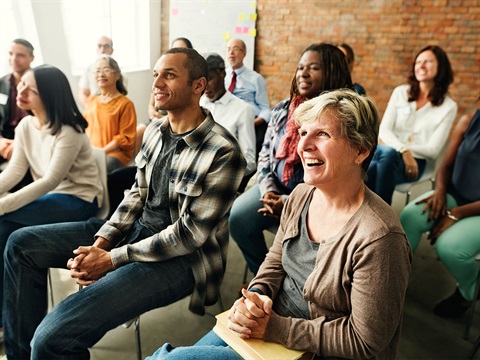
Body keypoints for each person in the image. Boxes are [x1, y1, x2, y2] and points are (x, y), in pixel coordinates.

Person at [3, 47, 246, 359]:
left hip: (180, 261)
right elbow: (136, 195)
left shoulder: (223, 152)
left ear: (198, 85)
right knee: (21, 243)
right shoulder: (157, 130)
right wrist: (102, 243)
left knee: (51, 339)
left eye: (169, 75)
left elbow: (189, 236)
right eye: (156, 74)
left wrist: (111, 259)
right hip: (133, 234)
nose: (157, 82)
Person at [149, 89, 413, 360]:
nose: (303, 145)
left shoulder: (380, 237)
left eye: (322, 134)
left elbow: (365, 341)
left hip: (313, 349)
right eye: (303, 133)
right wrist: (256, 295)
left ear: (360, 150)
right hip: (271, 323)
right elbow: (276, 261)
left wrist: (276, 328)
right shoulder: (300, 196)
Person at [230, 43, 354, 274]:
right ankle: (263, 277)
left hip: (321, 200)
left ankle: (291, 283)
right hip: (274, 188)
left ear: (332, 72)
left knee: (304, 243)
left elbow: (334, 180)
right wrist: (268, 191)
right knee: (238, 219)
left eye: (313, 68)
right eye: (300, 67)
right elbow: (265, 154)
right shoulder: (282, 109)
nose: (303, 73)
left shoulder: (341, 120)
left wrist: (288, 203)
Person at [0, 64, 102, 337]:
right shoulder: (24, 125)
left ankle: (7, 320)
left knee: (5, 220)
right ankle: (9, 317)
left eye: (30, 89)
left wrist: (2, 206)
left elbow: (49, 181)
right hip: (50, 199)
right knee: (5, 230)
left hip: (78, 201)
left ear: (48, 96)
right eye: (22, 84)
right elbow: (14, 173)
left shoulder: (68, 131)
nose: (21, 91)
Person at [399, 107, 480, 318]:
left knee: (450, 247)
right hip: (453, 194)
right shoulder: (470, 118)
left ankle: (468, 292)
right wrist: (440, 192)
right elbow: (445, 166)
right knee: (410, 216)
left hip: (476, 211)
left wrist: (456, 214)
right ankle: (392, 282)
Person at [366, 45, 457, 205]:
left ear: (441, 67)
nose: (421, 65)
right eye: (418, 62)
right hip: (384, 153)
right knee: (387, 155)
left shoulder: (448, 106)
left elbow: (432, 150)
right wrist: (403, 150)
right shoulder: (401, 92)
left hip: (416, 163)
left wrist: (402, 150)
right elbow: (384, 130)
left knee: (371, 169)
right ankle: (383, 218)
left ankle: (369, 215)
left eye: (427, 61)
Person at [200, 53, 256, 191]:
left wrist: (221, 175)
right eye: (201, 81)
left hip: (221, 183)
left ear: (223, 74)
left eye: (210, 79)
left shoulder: (243, 110)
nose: (205, 86)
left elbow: (250, 161)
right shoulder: (197, 104)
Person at [83, 55, 136, 173]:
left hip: (114, 154)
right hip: (91, 152)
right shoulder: (91, 100)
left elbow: (125, 138)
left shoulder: (125, 104)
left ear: (117, 75)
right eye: (97, 71)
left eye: (106, 70)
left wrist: (101, 152)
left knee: (93, 171)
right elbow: (84, 127)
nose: (101, 74)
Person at [225, 38, 271, 158]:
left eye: (235, 49)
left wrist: (252, 123)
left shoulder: (256, 78)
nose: (231, 52)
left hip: (252, 120)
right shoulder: (220, 76)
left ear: (244, 53)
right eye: (228, 49)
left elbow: (265, 109)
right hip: (228, 118)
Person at [0, 38, 35, 166]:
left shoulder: (40, 83)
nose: (14, 59)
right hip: (5, 139)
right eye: (11, 54)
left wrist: (19, 143)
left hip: (31, 139)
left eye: (20, 55)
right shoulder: (1, 84)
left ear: (32, 57)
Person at [78, 35, 114, 107]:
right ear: (96, 49)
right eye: (99, 46)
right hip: (94, 108)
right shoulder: (89, 69)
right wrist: (91, 110)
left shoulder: (118, 70)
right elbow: (83, 93)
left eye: (106, 46)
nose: (102, 50)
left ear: (112, 50)